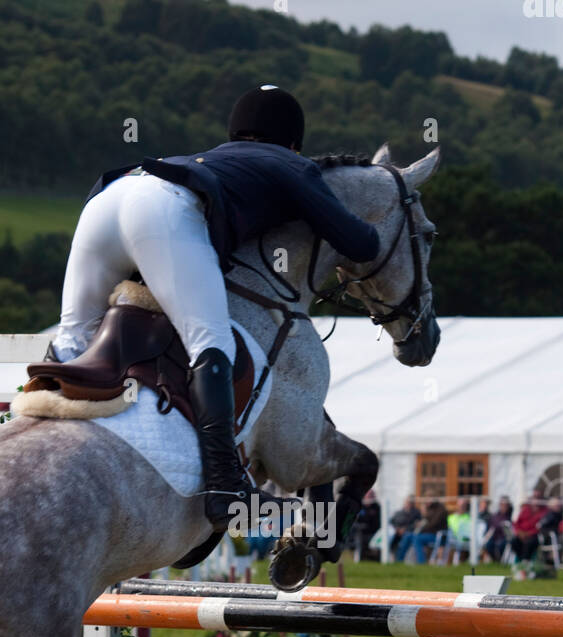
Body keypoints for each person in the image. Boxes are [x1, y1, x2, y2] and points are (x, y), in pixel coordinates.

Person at [51, 84, 382, 533]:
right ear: (292, 141)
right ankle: (226, 487)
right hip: (162, 212)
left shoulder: (212, 158)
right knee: (211, 341)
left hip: (109, 195)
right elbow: (357, 242)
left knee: (72, 337)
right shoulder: (291, 163)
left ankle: (31, 435)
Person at [350, 489, 381, 561]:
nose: (370, 497)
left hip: (373, 533)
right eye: (368, 495)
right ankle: (358, 558)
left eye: (371, 495)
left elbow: (377, 523)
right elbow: (354, 520)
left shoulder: (377, 507)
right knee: (359, 537)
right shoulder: (359, 506)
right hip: (359, 532)